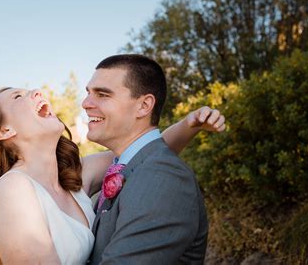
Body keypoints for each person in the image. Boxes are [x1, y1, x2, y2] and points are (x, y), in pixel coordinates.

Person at [0, 78, 224, 263]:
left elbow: (143, 153)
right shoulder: (13, 189)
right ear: (5, 130)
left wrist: (190, 125)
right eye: (19, 96)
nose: (37, 94)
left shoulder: (77, 177)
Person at [84, 54, 221, 264]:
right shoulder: (128, 166)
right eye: (88, 93)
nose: (85, 103)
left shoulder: (163, 176)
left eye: (103, 94)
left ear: (144, 105)